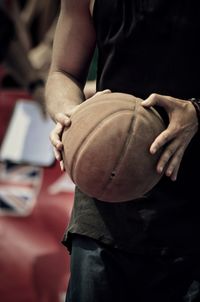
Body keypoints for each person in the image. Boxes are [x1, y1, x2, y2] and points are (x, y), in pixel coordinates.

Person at [45, 1, 200, 301]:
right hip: (104, 210)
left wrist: (196, 112)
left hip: (191, 216)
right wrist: (72, 117)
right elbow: (62, 72)